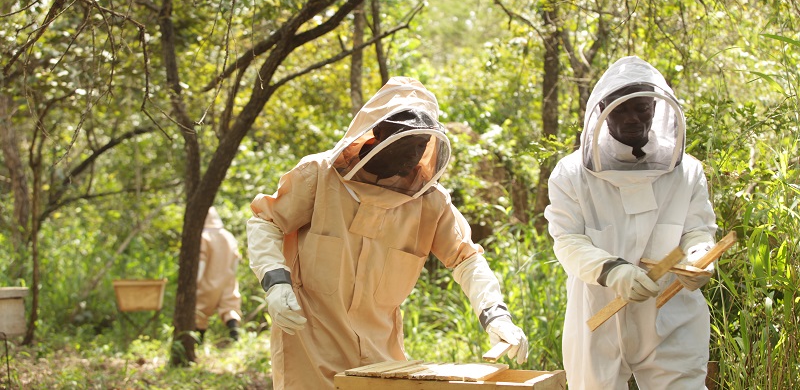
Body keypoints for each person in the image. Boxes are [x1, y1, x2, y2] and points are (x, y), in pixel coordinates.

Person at [246, 76, 529, 390]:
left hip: (382, 357)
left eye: (422, 145)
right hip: (311, 347)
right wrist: (276, 282)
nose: (414, 155)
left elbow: (467, 260)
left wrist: (495, 315)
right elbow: (266, 222)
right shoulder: (319, 176)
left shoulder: (430, 201)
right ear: (378, 133)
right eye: (406, 143)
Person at [545, 56, 718, 389]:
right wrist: (613, 270)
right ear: (602, 110)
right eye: (620, 109)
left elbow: (697, 230)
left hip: (671, 313)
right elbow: (567, 240)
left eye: (641, 108)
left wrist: (700, 257)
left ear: (656, 107)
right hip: (599, 312)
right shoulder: (571, 174)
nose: (632, 119)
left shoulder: (687, 171)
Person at [196, 206, 243, 342]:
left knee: (199, 311)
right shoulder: (228, 236)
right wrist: (231, 276)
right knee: (230, 308)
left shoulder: (203, 237)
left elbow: (201, 262)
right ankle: (235, 338)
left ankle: (198, 341)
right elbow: (235, 261)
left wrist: (195, 282)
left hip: (207, 281)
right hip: (228, 280)